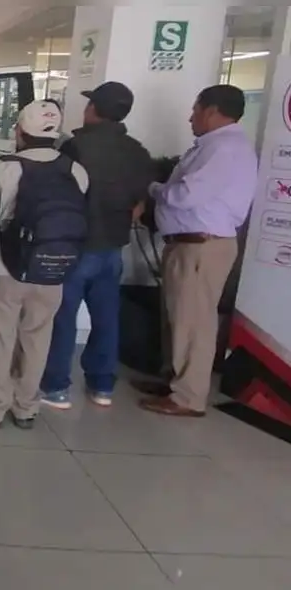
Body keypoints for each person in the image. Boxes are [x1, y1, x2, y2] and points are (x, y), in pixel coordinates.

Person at [0, 100, 89, 429]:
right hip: (54, 269)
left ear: (20, 132)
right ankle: (26, 406)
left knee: (0, 336)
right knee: (37, 337)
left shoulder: (3, 168)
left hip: (6, 267)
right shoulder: (76, 170)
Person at [136, 85, 258, 418]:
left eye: (196, 109)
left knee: (194, 322)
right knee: (178, 318)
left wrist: (154, 189)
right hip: (188, 245)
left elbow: (186, 195)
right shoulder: (213, 145)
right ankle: (174, 380)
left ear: (213, 111)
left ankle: (188, 396)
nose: (191, 116)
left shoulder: (224, 148)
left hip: (202, 247)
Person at [38, 82, 154, 410]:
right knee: (106, 318)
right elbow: (140, 200)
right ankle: (102, 386)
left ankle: (57, 387)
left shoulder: (76, 148)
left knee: (64, 317)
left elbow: (60, 196)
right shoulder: (137, 151)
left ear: (94, 110)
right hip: (113, 249)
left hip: (77, 247)